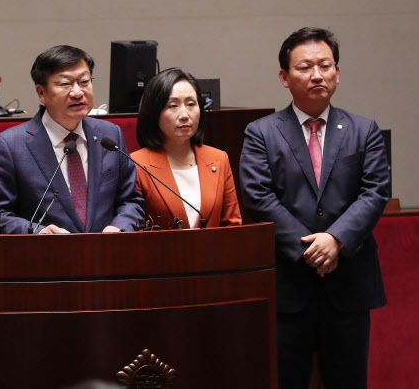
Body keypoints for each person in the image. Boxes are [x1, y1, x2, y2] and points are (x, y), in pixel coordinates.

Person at [239, 27, 390, 388]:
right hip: (289, 286)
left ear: (338, 73)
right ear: (284, 77)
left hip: (348, 283)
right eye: (305, 66)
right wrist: (312, 248)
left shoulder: (363, 129)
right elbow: (259, 197)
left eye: (326, 65)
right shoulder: (261, 132)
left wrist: (335, 240)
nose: (317, 74)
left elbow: (375, 192)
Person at [0, 45, 144, 234]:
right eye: (65, 84)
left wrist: (120, 227)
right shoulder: (11, 145)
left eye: (84, 81)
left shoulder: (110, 135)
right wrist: (39, 232)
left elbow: (131, 200)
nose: (77, 92)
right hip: (44, 258)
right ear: (41, 93)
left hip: (105, 256)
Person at [131, 68, 241, 229]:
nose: (184, 114)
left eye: (191, 104)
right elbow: (135, 230)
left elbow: (232, 226)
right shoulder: (136, 164)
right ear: (154, 113)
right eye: (173, 105)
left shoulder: (219, 159)